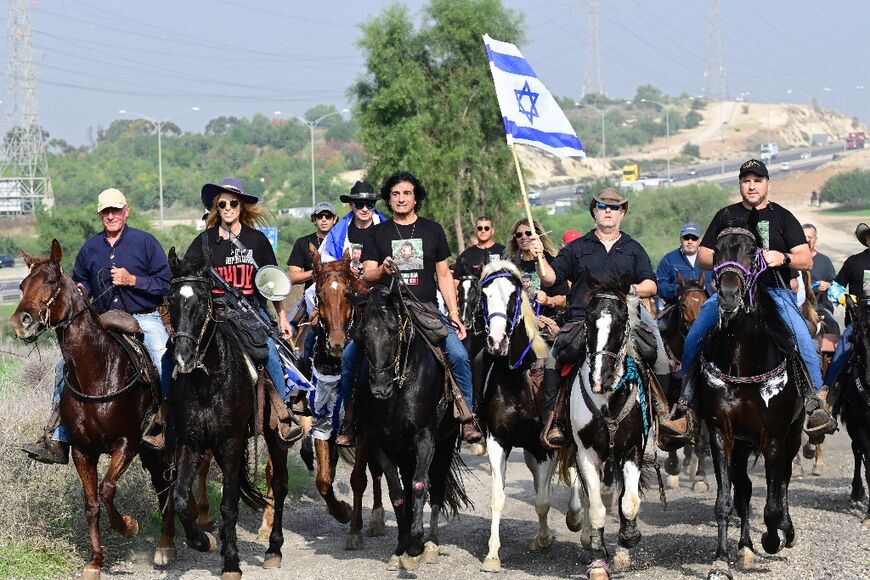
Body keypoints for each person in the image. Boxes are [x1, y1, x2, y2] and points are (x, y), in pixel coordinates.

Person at [664, 159, 837, 449]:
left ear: (767, 184)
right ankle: (685, 405)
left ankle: (814, 404)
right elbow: (706, 256)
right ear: (740, 185)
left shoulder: (782, 217)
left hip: (775, 293)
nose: (752, 185)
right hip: (731, 295)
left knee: (803, 336)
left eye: (757, 180)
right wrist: (727, 261)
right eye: (746, 180)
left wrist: (782, 258)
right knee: (695, 335)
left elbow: (805, 258)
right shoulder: (726, 215)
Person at [22, 188, 171, 464]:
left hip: (143, 317)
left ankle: (166, 424)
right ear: (101, 214)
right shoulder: (90, 248)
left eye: (116, 210)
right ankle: (57, 437)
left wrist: (133, 280)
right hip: (103, 320)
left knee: (163, 354)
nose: (111, 216)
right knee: (62, 367)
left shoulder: (146, 243)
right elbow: (82, 282)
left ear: (126, 210)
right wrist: (80, 288)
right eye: (106, 212)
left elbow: (166, 283)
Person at [532, 187, 671, 448]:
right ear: (594, 211)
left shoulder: (633, 249)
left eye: (614, 207)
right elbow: (550, 278)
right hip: (582, 319)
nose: (608, 211)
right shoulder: (576, 248)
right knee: (554, 358)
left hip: (625, 320)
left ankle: (662, 419)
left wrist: (627, 289)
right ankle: (556, 420)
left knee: (660, 357)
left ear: (623, 213)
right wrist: (540, 256)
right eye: (603, 206)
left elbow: (651, 286)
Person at [360, 170, 483, 443]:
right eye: (395, 194)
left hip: (425, 307)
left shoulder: (432, 230)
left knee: (460, 356)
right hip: (386, 309)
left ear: (416, 199)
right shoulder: (377, 233)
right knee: (349, 358)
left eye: (406, 193)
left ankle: (467, 416)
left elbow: (443, 276)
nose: (401, 199)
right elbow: (367, 275)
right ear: (388, 200)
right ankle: (349, 423)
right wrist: (383, 269)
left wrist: (453, 314)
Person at [184, 177, 302, 445]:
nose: (227, 208)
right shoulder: (204, 242)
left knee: (270, 353)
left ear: (241, 207)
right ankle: (167, 414)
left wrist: (282, 316)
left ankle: (283, 415)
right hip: (213, 313)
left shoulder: (257, 241)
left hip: (250, 311)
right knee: (179, 352)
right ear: (216, 207)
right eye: (222, 203)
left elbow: (271, 282)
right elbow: (186, 276)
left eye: (233, 203)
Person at [315, 181, 386, 446]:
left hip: (379, 296)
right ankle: (302, 393)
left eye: (370, 203)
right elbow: (325, 265)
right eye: (360, 204)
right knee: (311, 334)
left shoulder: (386, 226)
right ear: (351, 205)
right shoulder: (337, 232)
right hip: (344, 297)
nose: (365, 208)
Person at [822, 223, 870, 407]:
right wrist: (847, 298)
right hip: (859, 325)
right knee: (842, 350)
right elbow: (834, 288)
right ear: (867, 239)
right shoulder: (854, 262)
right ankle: (826, 396)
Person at [288, 202, 337, 377]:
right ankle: (291, 379)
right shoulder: (303, 243)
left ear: (334, 219)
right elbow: (293, 277)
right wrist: (314, 273)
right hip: (310, 298)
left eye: (328, 216)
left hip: (337, 297)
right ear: (314, 220)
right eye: (319, 216)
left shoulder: (342, 241)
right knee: (286, 331)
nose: (324, 220)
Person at [506, 217, 569, 328]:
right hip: (519, 325)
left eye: (528, 233)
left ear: (537, 236)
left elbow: (564, 301)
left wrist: (548, 300)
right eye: (519, 235)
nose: (524, 237)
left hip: (548, 323)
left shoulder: (551, 262)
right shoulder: (510, 266)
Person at [655, 222, 714, 307]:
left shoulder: (709, 259)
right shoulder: (668, 259)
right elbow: (659, 285)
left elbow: (719, 284)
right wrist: (678, 290)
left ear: (700, 240)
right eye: (686, 238)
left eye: (694, 238)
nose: (690, 241)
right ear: (680, 239)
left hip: (707, 306)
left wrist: (704, 290)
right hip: (676, 307)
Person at [803, 223, 838, 330]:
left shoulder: (825, 261)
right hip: (799, 307)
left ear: (815, 239)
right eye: (804, 237)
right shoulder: (794, 261)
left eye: (810, 237)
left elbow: (836, 285)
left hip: (821, 307)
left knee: (833, 326)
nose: (807, 240)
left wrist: (828, 285)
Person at [452, 216, 506, 282]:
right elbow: (456, 280)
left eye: (486, 228)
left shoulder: (503, 252)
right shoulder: (465, 256)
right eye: (480, 228)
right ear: (476, 230)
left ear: (492, 231)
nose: (483, 231)